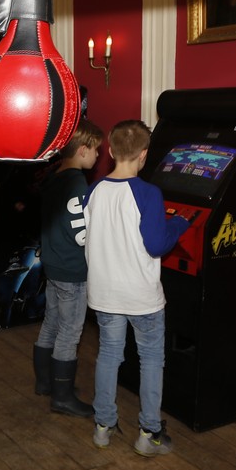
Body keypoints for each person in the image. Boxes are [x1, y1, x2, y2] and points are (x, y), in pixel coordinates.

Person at [84, 119, 193, 453]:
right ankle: (149, 433)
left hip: (104, 292)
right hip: (141, 295)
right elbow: (156, 244)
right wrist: (178, 224)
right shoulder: (148, 193)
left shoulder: (94, 190)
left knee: (109, 355)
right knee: (150, 359)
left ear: (111, 150)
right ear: (144, 154)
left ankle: (103, 426)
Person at [35, 119, 104, 417]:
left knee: (51, 322)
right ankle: (62, 397)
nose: (98, 156)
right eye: (96, 150)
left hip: (53, 263)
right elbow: (81, 234)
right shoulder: (77, 183)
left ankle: (45, 382)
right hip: (73, 269)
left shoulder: (54, 175)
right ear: (83, 150)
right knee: (70, 331)